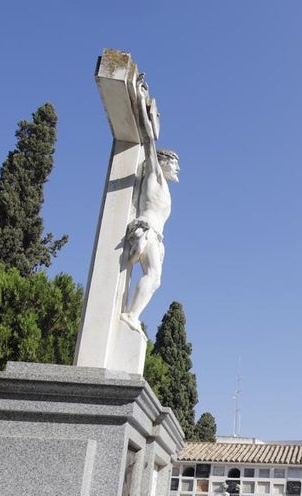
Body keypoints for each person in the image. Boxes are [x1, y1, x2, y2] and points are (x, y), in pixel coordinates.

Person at [121, 76, 179, 332]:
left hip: (156, 235)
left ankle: (132, 315)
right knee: (154, 277)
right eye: (174, 162)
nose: (177, 168)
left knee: (155, 280)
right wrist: (141, 102)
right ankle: (130, 315)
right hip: (146, 230)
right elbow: (147, 141)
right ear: (163, 162)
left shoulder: (164, 185)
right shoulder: (154, 175)